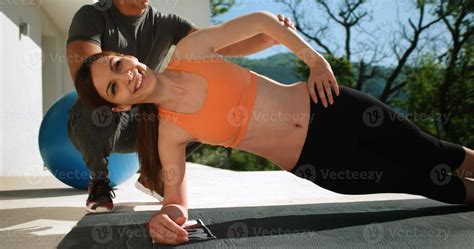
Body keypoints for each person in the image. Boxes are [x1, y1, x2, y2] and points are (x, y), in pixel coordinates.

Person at [73, 11, 474, 245]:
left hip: (334, 106)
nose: (125, 78)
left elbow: (263, 21)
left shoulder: (191, 52)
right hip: (322, 162)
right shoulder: (169, 133)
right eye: (114, 88)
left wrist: (313, 59)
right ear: (120, 105)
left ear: (126, 57)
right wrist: (167, 218)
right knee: (431, 183)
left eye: (117, 66)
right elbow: (177, 197)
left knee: (439, 152)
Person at [66, 0, 296, 212]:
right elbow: (86, 79)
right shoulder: (93, 16)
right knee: (94, 104)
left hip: (147, 121)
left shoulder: (167, 23)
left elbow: (222, 46)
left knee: (191, 100)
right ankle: (99, 181)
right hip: (107, 117)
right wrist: (122, 90)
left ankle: (154, 176)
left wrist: (267, 38)